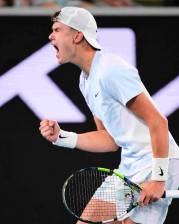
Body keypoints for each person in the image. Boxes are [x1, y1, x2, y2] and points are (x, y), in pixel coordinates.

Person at [39, 6, 179, 224]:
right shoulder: (85, 80)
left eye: (57, 29)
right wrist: (61, 137)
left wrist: (158, 179)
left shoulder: (111, 69)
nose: (51, 35)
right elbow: (109, 139)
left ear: (77, 35)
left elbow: (158, 121)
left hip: (158, 163)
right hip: (129, 168)